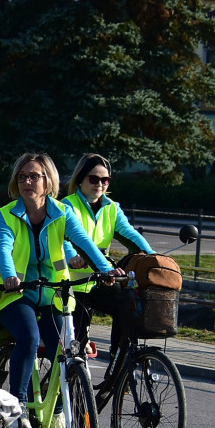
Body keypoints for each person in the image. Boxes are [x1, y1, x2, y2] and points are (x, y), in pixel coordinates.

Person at [0, 152, 121, 428]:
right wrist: (10, 276)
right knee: (28, 336)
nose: (27, 181)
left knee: (66, 353)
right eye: (22, 176)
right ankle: (19, 405)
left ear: (48, 182)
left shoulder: (62, 213)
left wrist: (105, 269)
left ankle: (58, 416)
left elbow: (84, 243)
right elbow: (4, 250)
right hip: (16, 294)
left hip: (53, 294)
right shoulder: (5, 215)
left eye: (34, 176)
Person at [62, 153, 155, 398]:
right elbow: (65, 237)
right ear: (81, 179)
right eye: (94, 179)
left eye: (106, 180)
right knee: (76, 347)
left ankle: (119, 366)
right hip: (74, 284)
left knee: (126, 303)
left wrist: (155, 259)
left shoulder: (112, 209)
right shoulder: (67, 205)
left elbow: (131, 236)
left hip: (102, 279)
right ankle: (69, 396)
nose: (100, 185)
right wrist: (73, 256)